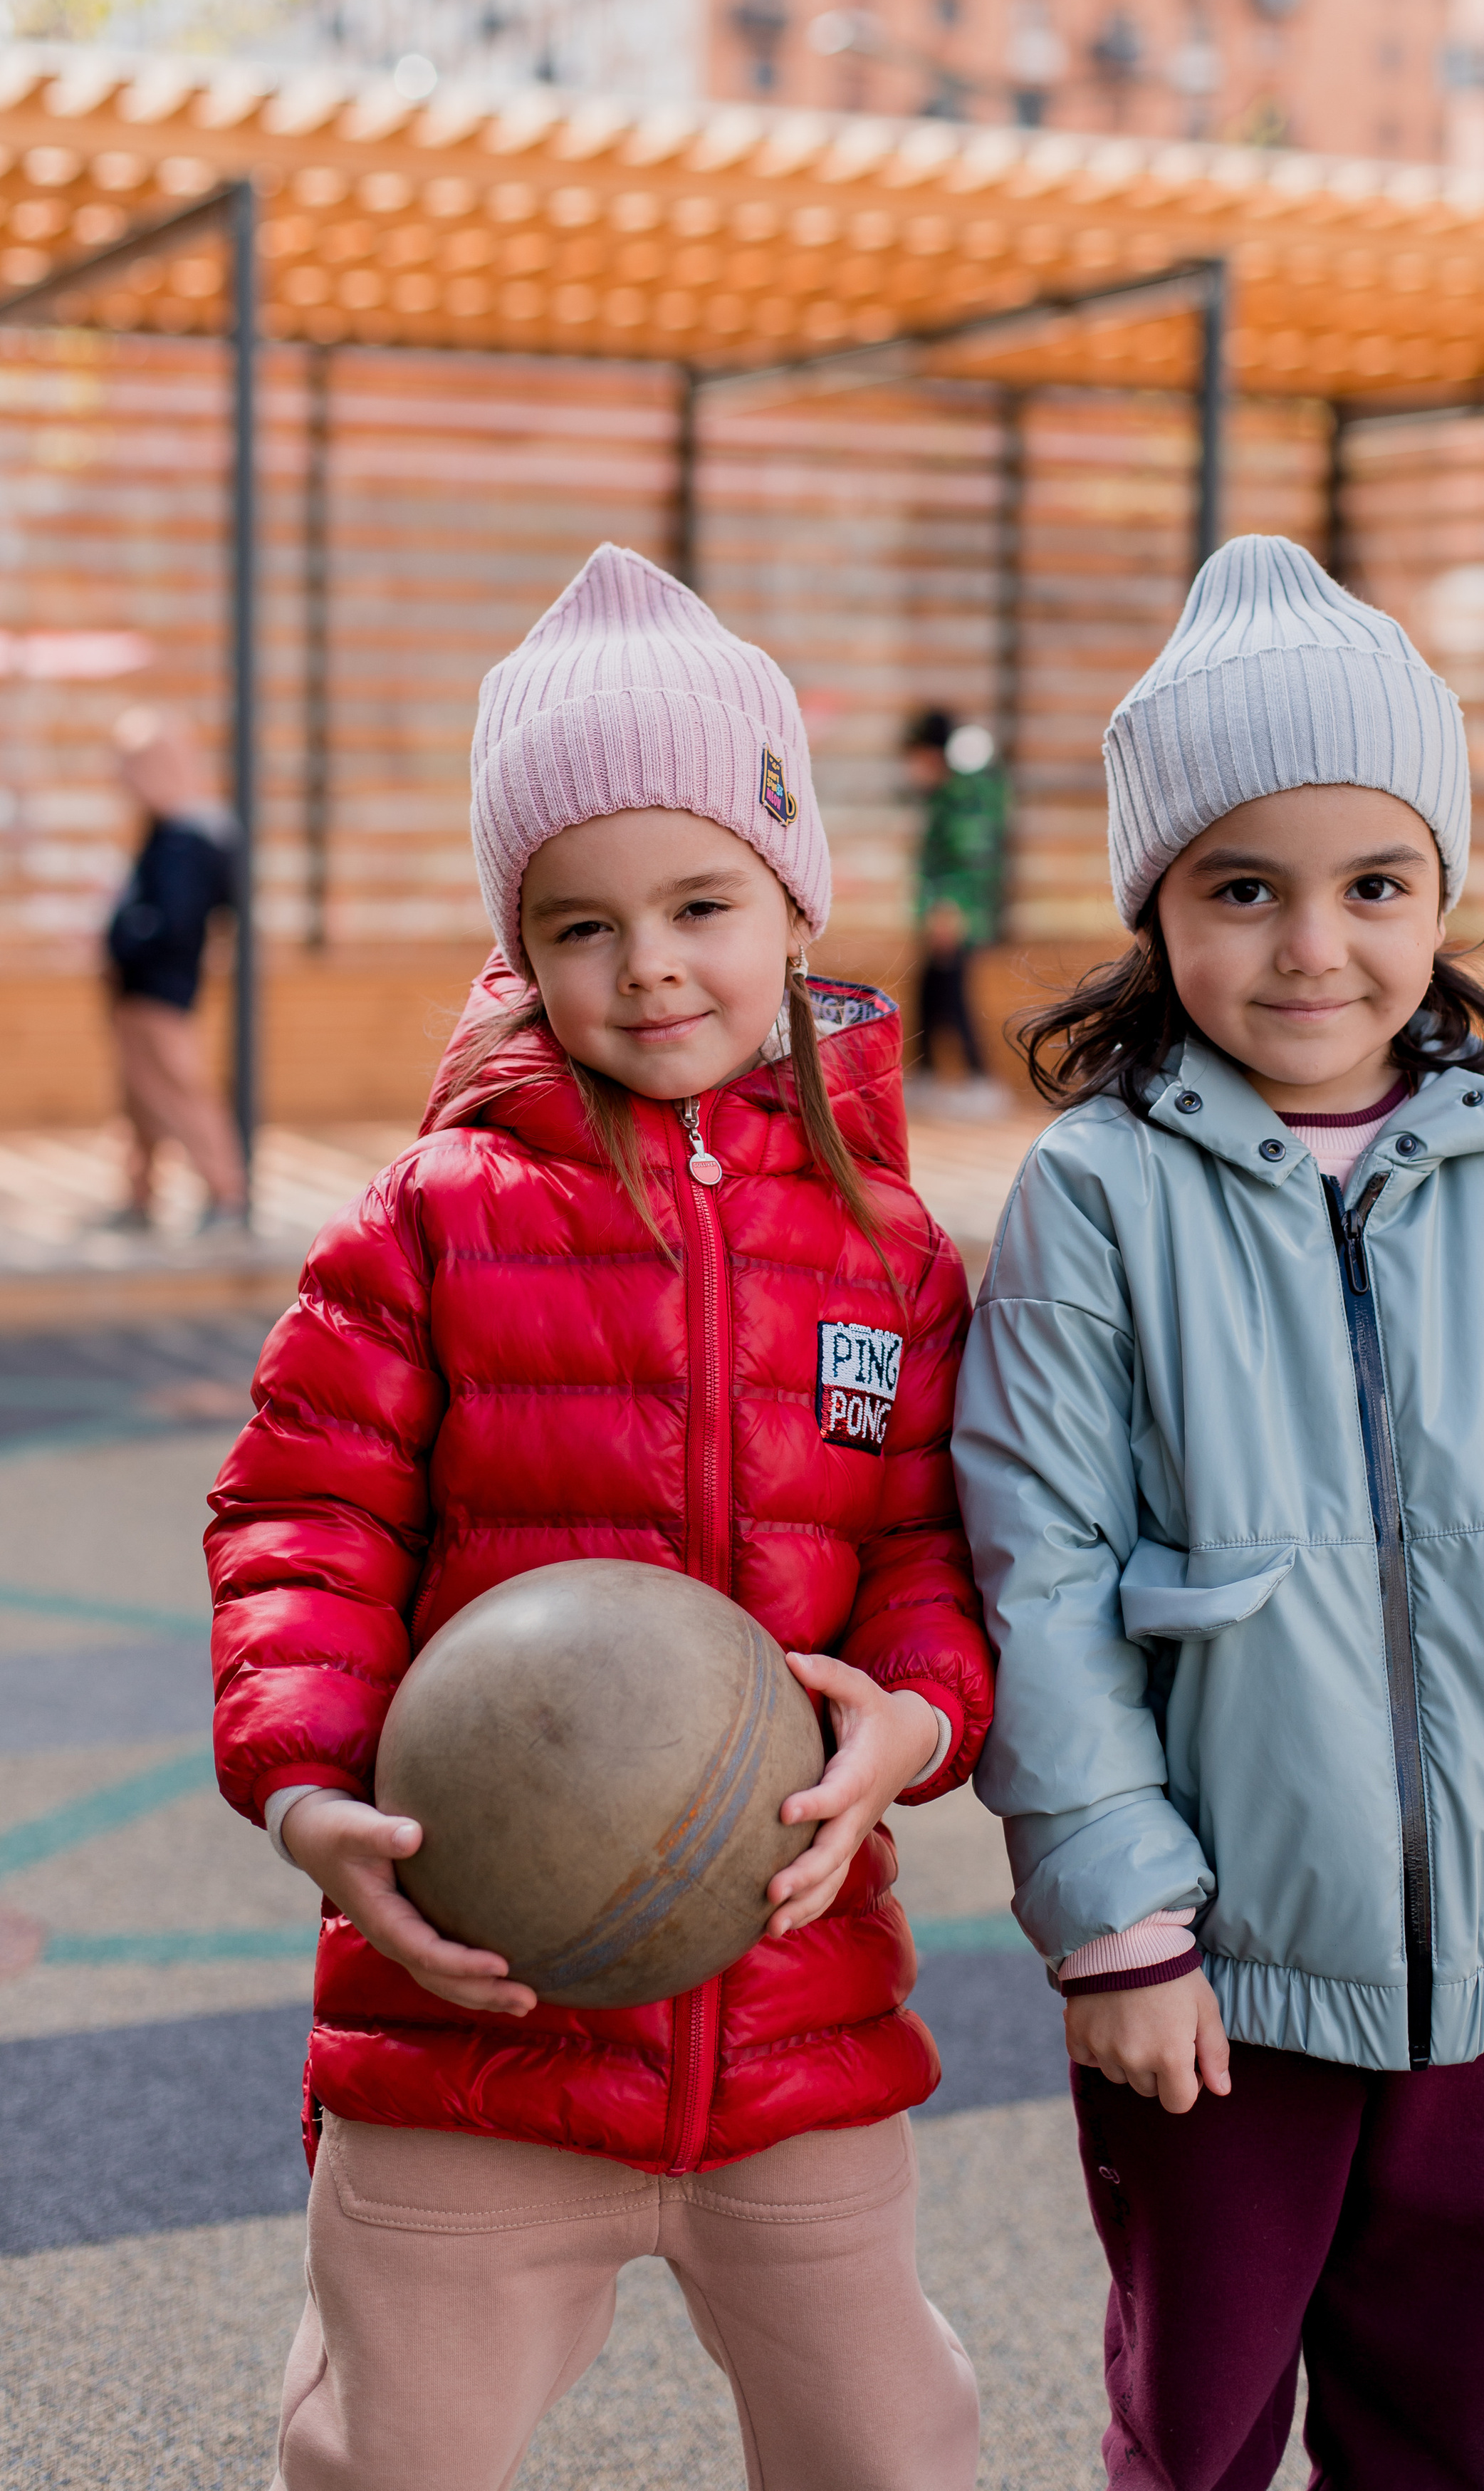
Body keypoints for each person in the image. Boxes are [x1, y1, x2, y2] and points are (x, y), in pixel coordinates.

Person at [953, 534, 1484, 2491]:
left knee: (1454, 2434)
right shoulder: (1098, 1195)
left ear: (1441, 896)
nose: (1314, 946)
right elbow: (1041, 1573)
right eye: (1245, 888)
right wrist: (1122, 1930)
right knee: (1201, 2426)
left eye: (1374, 885)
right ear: (1157, 907)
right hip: (1219, 1981)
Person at [206, 546, 992, 2491]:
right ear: (518, 948)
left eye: (703, 903)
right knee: (399, 2458)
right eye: (581, 923)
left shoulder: (888, 1254)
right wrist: (312, 1790)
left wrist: (916, 1719)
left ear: (793, 907)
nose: (649, 964)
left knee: (892, 2450)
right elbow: (300, 1526)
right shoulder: (432, 1222)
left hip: (796, 2012)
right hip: (465, 2016)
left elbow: (928, 1552)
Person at [103, 707, 244, 1229]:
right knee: (139, 1093)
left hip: (160, 986)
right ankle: (141, 1194)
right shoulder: (170, 830)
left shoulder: (192, 837)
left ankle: (225, 1191)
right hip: (139, 984)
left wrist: (130, 937)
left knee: (177, 1087)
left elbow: (175, 919)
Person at [904, 707, 1009, 1109]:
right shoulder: (944, 793)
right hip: (945, 915)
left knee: (952, 992)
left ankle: (981, 1080)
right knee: (932, 989)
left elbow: (969, 859)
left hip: (957, 915)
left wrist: (950, 910)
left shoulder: (964, 795)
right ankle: (929, 1074)